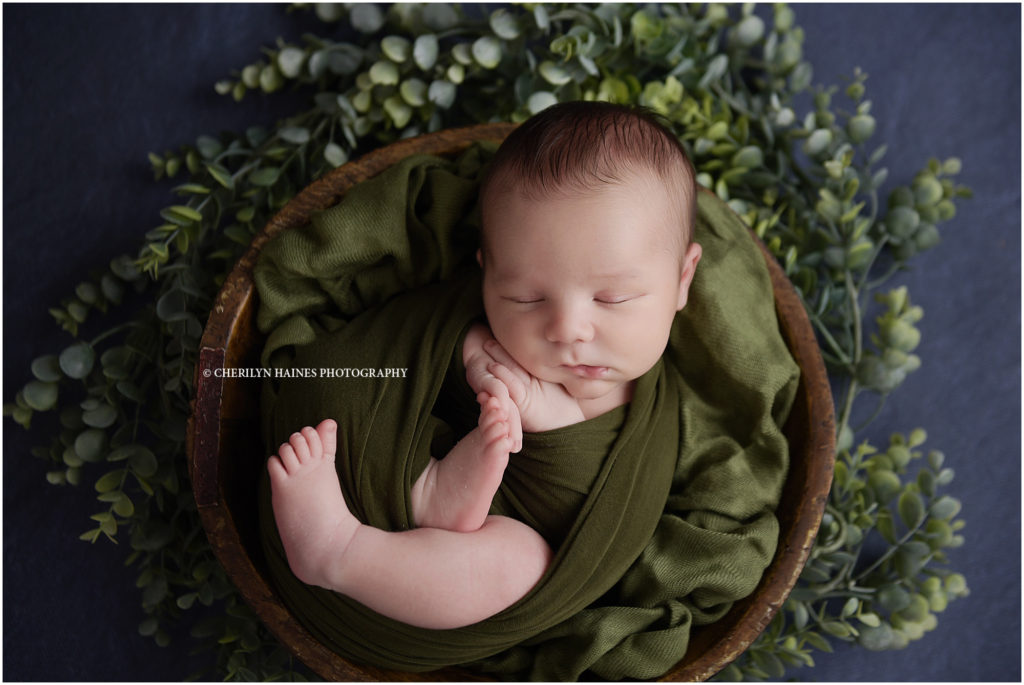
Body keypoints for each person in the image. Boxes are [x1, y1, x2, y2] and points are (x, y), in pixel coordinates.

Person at [265, 101, 702, 630]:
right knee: (517, 548)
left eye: (612, 299)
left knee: (521, 560)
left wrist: (549, 414)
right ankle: (409, 498)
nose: (567, 330)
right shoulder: (489, 340)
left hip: (444, 562)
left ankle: (343, 552)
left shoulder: (662, 405)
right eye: (523, 298)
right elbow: (427, 347)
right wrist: (474, 359)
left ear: (682, 280)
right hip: (364, 455)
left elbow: (599, 511)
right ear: (486, 273)